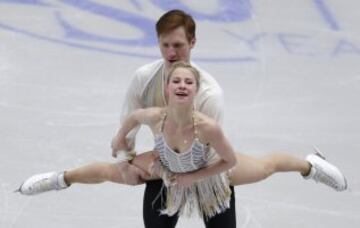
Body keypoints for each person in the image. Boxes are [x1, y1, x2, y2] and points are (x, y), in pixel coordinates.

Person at [16, 10, 347, 228]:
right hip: (165, 160)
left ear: (192, 43)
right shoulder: (144, 82)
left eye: (178, 45)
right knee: (108, 171)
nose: (172, 53)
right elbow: (125, 129)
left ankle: (310, 165)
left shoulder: (210, 95)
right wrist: (128, 162)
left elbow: (219, 155)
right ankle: (59, 178)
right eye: (165, 45)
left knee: (265, 167)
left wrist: (188, 179)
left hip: (206, 164)